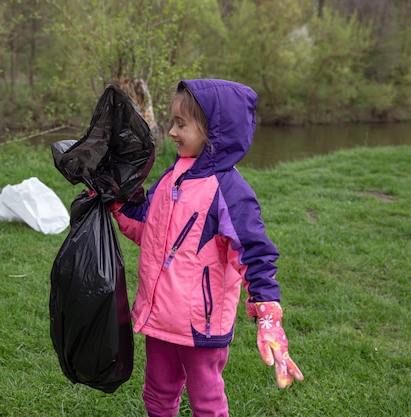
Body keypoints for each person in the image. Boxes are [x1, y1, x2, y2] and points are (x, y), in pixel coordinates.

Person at [110, 79, 303, 417]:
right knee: (157, 394)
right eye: (172, 122)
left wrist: (268, 314)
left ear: (214, 131)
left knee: (207, 402)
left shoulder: (229, 190)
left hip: (202, 325)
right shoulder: (174, 176)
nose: (171, 131)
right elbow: (147, 226)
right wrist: (116, 204)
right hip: (159, 317)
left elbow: (254, 252)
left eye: (181, 124)